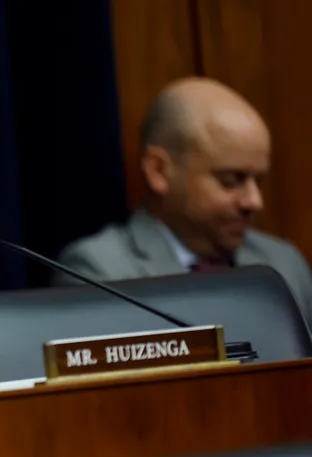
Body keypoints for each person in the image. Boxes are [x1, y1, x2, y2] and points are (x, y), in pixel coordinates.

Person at [55, 77, 312, 322]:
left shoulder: (283, 264)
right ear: (159, 171)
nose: (254, 202)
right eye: (231, 180)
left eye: (259, 181)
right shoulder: (101, 272)